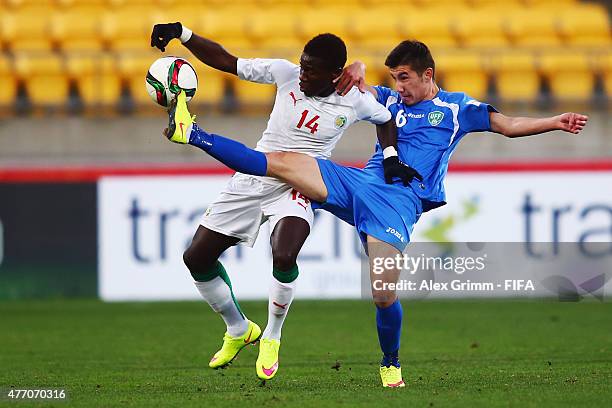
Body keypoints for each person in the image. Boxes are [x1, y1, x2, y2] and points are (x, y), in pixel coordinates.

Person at [163, 40, 588, 388]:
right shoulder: (384, 97)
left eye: (405, 78)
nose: (399, 86)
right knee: (281, 159)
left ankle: (390, 362)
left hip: (399, 202)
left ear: (428, 76)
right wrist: (361, 67)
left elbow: (509, 125)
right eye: (394, 79)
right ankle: (193, 132)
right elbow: (358, 88)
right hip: (357, 183)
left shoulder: (458, 110)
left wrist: (556, 121)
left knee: (383, 293)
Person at [150, 23, 417, 380]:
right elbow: (228, 61)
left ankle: (272, 336)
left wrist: (389, 155)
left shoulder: (354, 100)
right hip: (254, 175)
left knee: (284, 252)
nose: (302, 73)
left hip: (300, 183)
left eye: (311, 70)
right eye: (302, 65)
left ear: (335, 74)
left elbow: (385, 121)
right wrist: (183, 34)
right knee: (196, 257)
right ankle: (238, 328)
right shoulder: (284, 73)